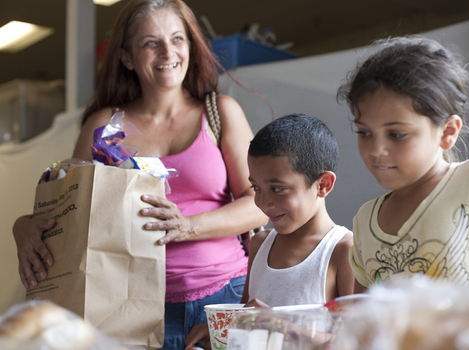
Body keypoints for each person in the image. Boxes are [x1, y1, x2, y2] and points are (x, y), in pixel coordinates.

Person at [12, 0, 268, 349]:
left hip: (223, 298)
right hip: (126, 306)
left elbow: (261, 203)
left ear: (191, 47)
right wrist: (23, 225)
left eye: (178, 39)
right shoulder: (102, 126)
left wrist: (187, 226)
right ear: (126, 57)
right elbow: (69, 217)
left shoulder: (221, 112)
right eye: (151, 42)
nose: (168, 51)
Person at [336, 36, 469, 293]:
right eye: (364, 133)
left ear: (447, 131)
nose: (376, 150)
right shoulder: (365, 221)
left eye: (396, 134)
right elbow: (363, 321)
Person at [184, 113, 354, 350]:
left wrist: (282, 326)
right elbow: (247, 324)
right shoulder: (260, 243)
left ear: (323, 184)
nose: (264, 204)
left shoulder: (342, 250)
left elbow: (356, 343)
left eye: (277, 188)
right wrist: (220, 333)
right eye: (256, 188)